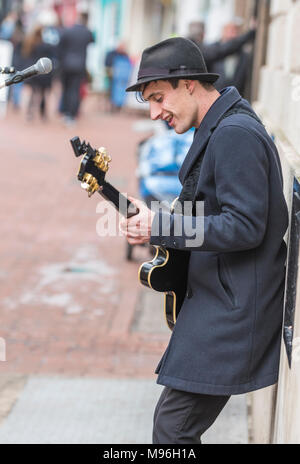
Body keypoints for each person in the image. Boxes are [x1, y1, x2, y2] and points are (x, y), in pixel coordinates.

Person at [121, 37, 288, 444]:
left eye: (159, 97)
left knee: (173, 429)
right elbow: (216, 212)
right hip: (217, 300)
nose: (155, 112)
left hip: (232, 308)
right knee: (172, 423)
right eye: (149, 101)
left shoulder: (234, 134)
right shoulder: (222, 125)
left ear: (190, 84)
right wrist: (157, 219)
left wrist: (159, 226)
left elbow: (245, 226)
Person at [57, 12, 94, 124]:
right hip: (79, 66)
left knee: (66, 89)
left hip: (66, 65)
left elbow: (59, 47)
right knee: (74, 90)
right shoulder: (87, 32)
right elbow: (92, 43)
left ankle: (65, 112)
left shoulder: (68, 31)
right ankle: (71, 114)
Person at [21, 24, 54, 120]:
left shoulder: (30, 43)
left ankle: (30, 113)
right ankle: (42, 114)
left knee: (33, 93)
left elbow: (26, 56)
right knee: (43, 93)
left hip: (33, 72)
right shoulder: (45, 45)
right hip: (43, 73)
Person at [211, 21, 253, 96]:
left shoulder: (244, 55)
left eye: (235, 32)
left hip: (236, 99)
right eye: (229, 31)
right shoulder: (213, 51)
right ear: (223, 32)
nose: (232, 35)